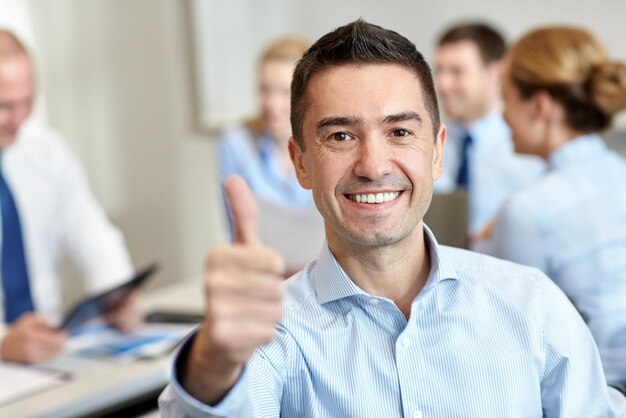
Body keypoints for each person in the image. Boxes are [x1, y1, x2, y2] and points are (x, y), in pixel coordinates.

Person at [159, 20, 624, 416]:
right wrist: (212, 367)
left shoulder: (533, 307)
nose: (373, 165)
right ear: (301, 162)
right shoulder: (271, 332)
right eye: (340, 136)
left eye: (400, 131)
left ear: (438, 151)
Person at [478, 26, 626, 390]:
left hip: (593, 395)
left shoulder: (529, 210)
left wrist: (487, 240)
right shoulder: (618, 171)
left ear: (541, 105)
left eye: (507, 99)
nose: (503, 116)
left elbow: (510, 338)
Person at [0, 29, 142, 364]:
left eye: (27, 102)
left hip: (49, 350)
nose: (19, 120)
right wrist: (4, 342)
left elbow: (93, 236)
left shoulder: (46, 152)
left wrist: (116, 294)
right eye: (4, 106)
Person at [433, 22, 545, 237]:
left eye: (456, 71)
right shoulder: (429, 139)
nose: (442, 84)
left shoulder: (528, 147)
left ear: (496, 73)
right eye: (440, 71)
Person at [217, 36, 313, 210]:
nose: (272, 104)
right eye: (265, 90)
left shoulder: (326, 144)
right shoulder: (236, 144)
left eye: (285, 92)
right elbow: (237, 229)